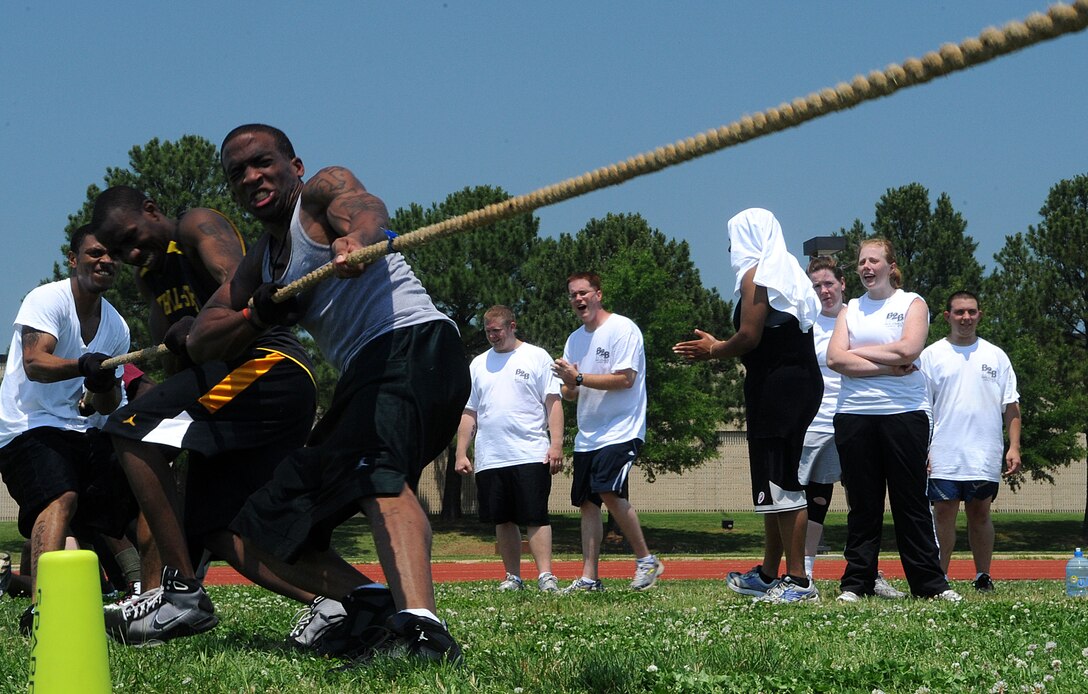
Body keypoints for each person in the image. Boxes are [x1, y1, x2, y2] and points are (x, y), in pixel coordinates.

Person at [185, 124, 470, 664]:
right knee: (252, 528)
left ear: (293, 166)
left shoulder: (317, 194)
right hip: (364, 378)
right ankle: (373, 607)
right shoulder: (262, 261)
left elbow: (363, 206)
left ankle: (423, 634)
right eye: (237, 173)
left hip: (410, 345)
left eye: (262, 162)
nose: (251, 177)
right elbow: (203, 337)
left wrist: (359, 240)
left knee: (375, 470)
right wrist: (257, 313)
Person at [91, 186, 355, 648]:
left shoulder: (195, 225)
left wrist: (195, 335)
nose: (131, 253)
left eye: (132, 236)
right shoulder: (151, 279)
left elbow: (238, 286)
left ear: (153, 209)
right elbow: (178, 363)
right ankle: (356, 601)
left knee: (129, 431)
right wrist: (116, 386)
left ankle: (182, 594)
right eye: (118, 250)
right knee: (220, 524)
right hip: (228, 385)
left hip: (267, 364)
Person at [673, 208, 822, 603]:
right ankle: (771, 574)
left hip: (782, 389)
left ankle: (800, 581)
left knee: (783, 482)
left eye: (732, 239)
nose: (728, 248)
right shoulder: (782, 270)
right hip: (783, 385)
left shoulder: (758, 274)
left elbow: (749, 336)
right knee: (772, 485)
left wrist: (713, 350)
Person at [0, 226, 134, 633]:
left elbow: (111, 405)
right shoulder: (48, 299)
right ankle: (40, 611)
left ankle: (149, 593)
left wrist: (103, 384)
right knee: (61, 496)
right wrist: (82, 365)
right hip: (27, 427)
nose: (104, 260)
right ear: (73, 259)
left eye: (111, 255)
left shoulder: (118, 328)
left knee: (132, 487)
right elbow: (35, 363)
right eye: (94, 253)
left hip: (83, 430)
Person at [826, 238, 960, 602]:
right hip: (855, 414)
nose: (866, 267)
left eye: (874, 261)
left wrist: (859, 354)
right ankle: (857, 584)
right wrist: (888, 366)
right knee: (863, 505)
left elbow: (909, 349)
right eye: (861, 262)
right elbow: (835, 359)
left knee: (910, 503)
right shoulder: (850, 309)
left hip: (905, 414)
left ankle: (930, 585)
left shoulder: (912, 303)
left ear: (890, 265)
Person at [798, 257, 905, 599]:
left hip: (861, 415)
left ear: (843, 283)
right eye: (816, 286)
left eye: (829, 283)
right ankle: (805, 575)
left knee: (865, 501)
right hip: (818, 422)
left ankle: (868, 574)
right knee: (815, 500)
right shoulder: (806, 325)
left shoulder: (860, 315)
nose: (824, 291)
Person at [551, 272, 663, 593]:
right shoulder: (575, 339)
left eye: (584, 293)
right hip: (589, 434)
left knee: (608, 491)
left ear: (598, 294)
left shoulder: (622, 329)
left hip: (622, 429)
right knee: (587, 502)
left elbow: (625, 379)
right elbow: (571, 392)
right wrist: (568, 383)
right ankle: (589, 578)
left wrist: (580, 378)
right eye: (573, 295)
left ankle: (646, 561)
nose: (578, 299)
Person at [454, 305, 563, 593]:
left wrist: (556, 444)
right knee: (502, 519)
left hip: (530, 452)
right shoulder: (477, 364)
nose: (492, 336)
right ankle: (513, 577)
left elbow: (553, 402)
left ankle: (546, 577)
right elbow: (469, 412)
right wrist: (461, 452)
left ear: (512, 326)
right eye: (488, 331)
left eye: (497, 331)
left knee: (535, 516)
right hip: (492, 456)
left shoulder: (536, 356)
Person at [921, 290, 1021, 592]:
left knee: (980, 513)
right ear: (947, 316)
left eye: (972, 312)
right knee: (944, 513)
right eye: (960, 312)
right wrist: (922, 449)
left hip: (984, 452)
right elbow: (921, 407)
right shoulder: (931, 355)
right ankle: (940, 579)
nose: (966, 318)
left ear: (979, 315)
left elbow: (1011, 405)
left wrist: (1014, 446)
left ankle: (983, 576)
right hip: (944, 453)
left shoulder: (996, 355)